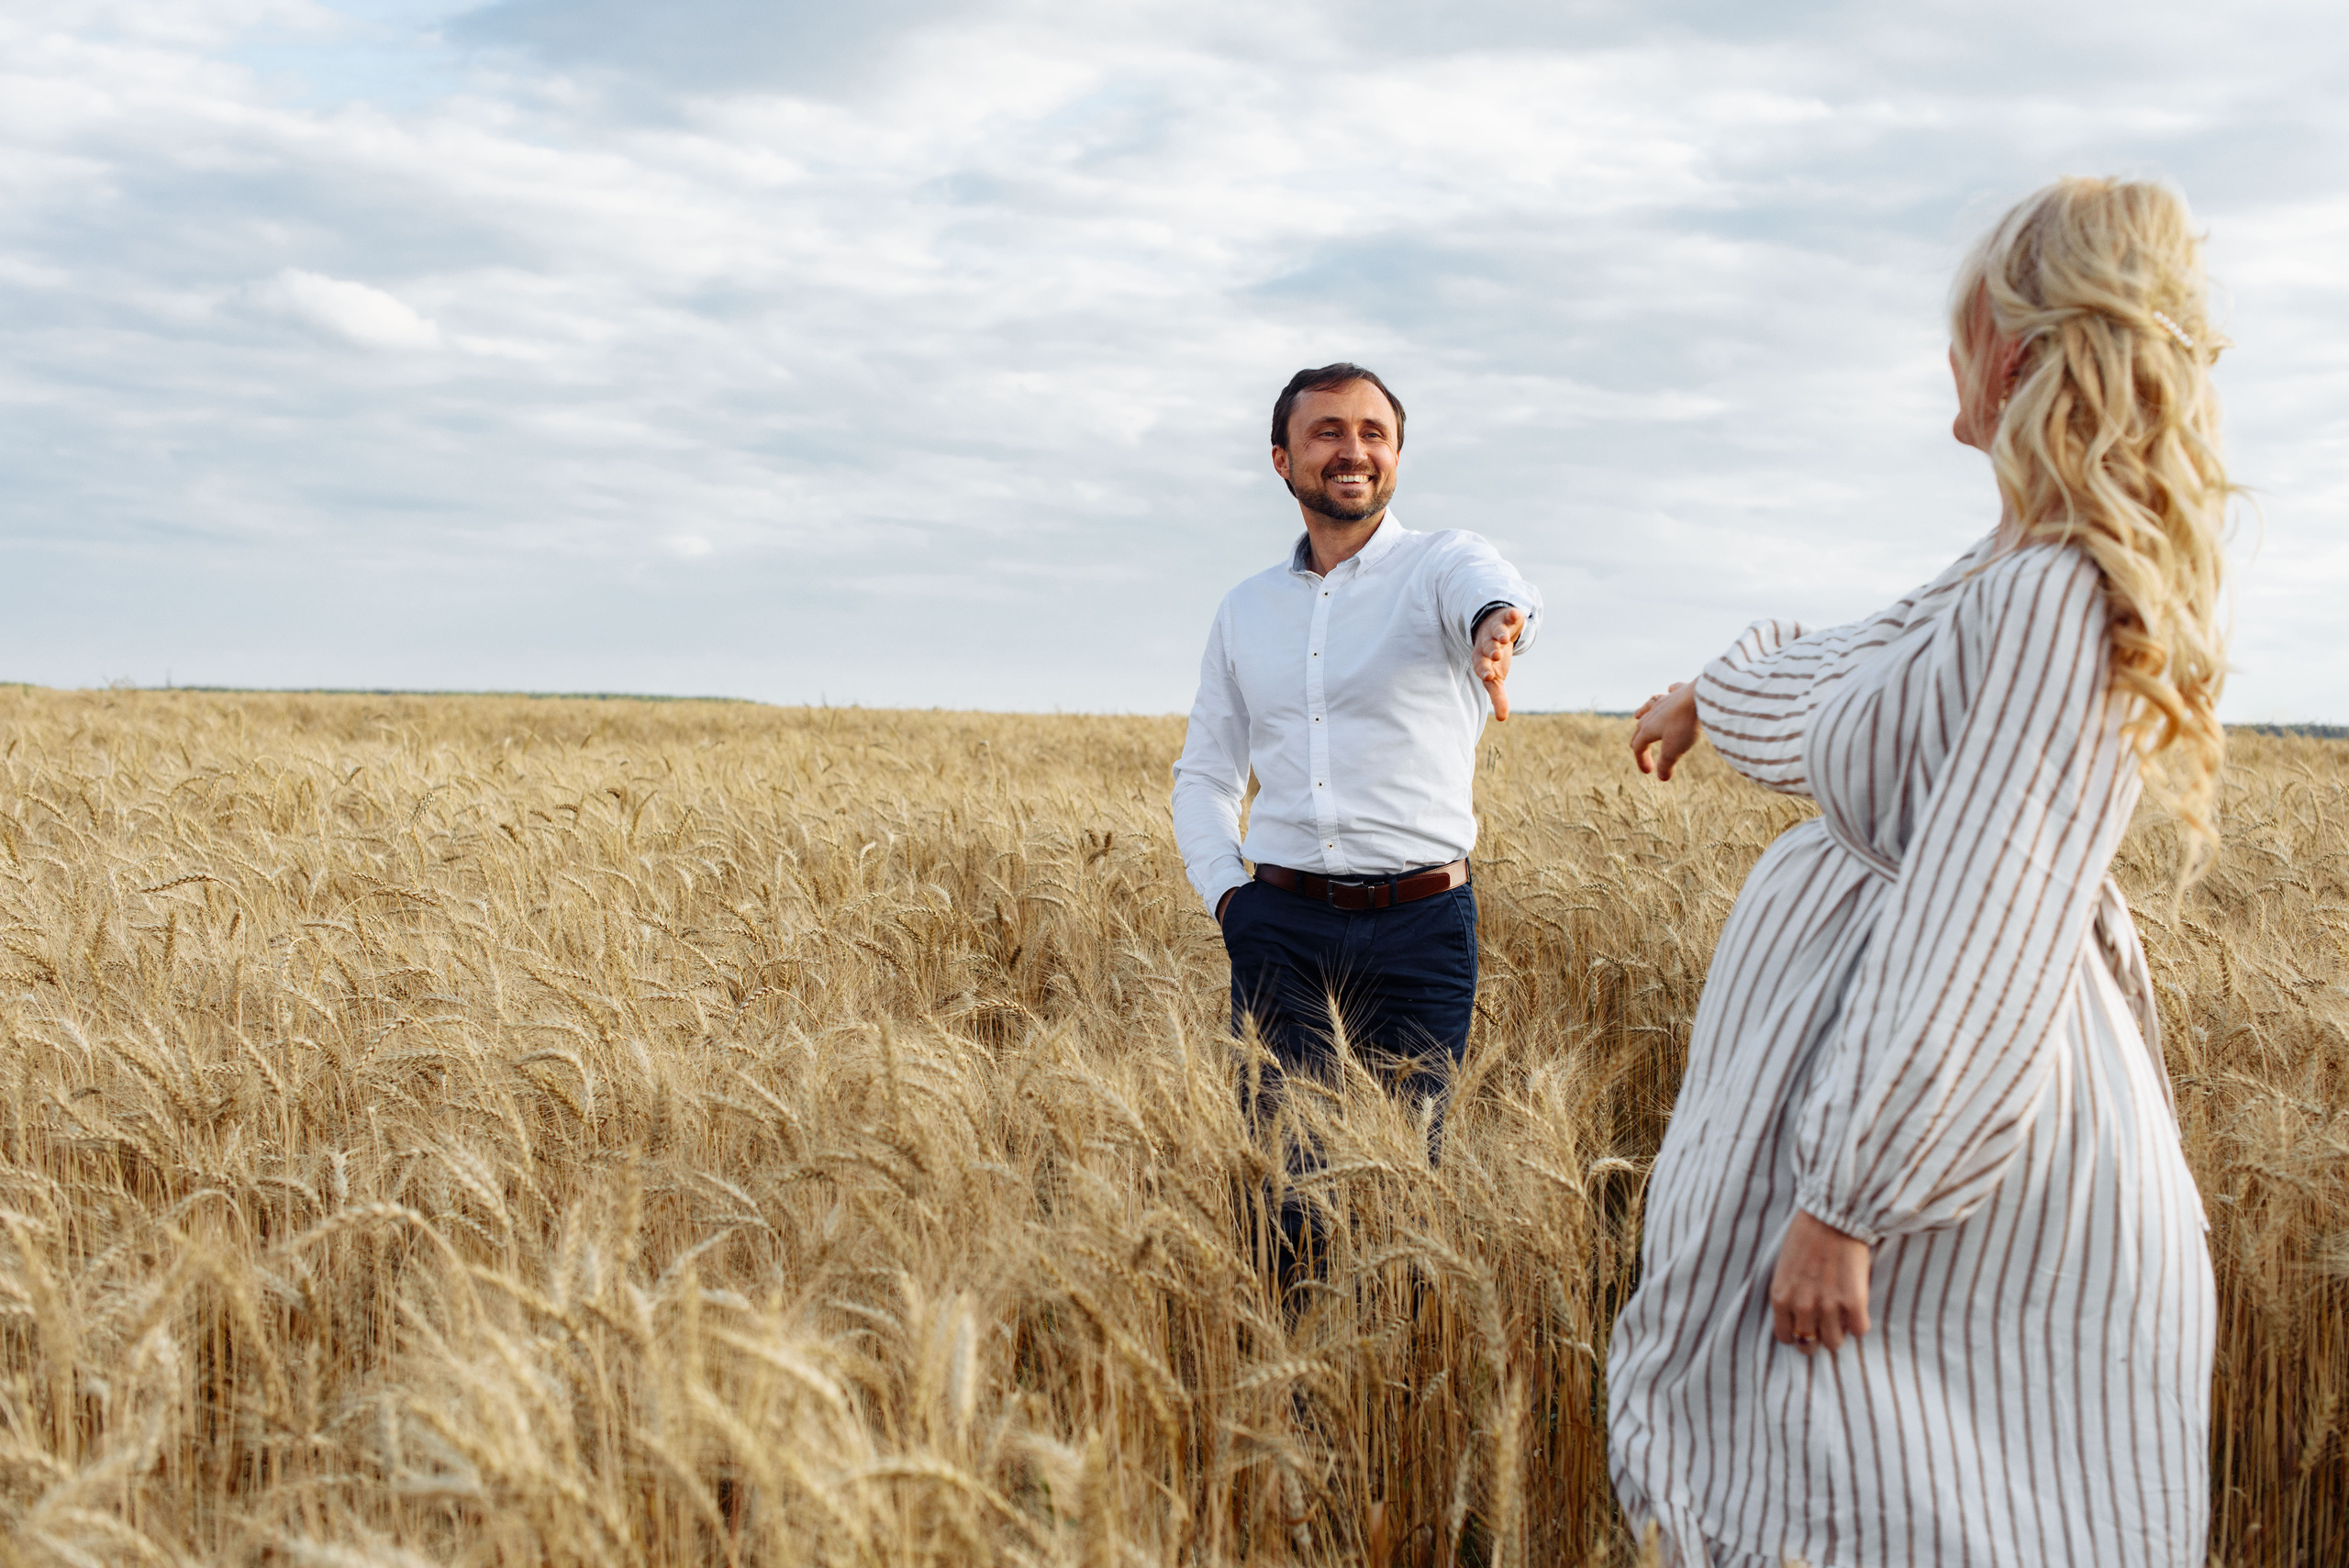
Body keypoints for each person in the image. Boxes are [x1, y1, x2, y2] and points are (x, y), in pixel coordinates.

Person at [1606, 178, 2228, 1567]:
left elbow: (1987, 915)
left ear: (2009, 352)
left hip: (1944, 1148)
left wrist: (1851, 1199)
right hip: (1908, 1108)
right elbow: (1841, 693)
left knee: (1910, 1493)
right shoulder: (2008, 571)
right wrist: (1712, 695)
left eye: (1958, 333)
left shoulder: (2053, 597)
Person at [1171, 362, 1542, 1127]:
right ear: (1283, 458)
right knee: (1282, 1189)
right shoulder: (1245, 610)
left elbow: (1494, 587)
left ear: (1398, 455)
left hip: (1422, 929)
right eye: (1328, 431)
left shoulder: (1440, 564)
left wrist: (1496, 624)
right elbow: (1206, 773)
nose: (1354, 450)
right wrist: (1228, 899)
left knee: (1401, 1191)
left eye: (1375, 433)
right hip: (1279, 924)